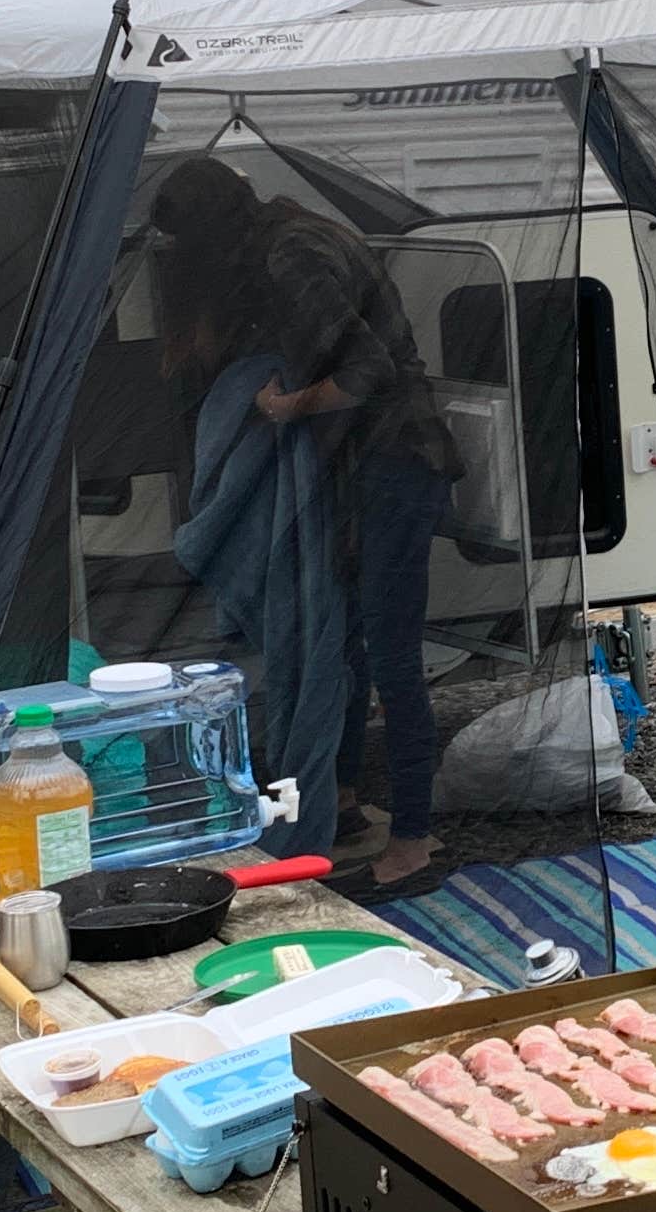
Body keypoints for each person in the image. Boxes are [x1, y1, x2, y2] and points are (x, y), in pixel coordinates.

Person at [150, 158, 456, 887]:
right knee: (338, 636)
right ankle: (342, 802)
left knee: (389, 658)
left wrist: (287, 408)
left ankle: (413, 842)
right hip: (366, 467)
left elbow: (369, 371)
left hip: (396, 463)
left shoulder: (290, 258)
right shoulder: (288, 234)